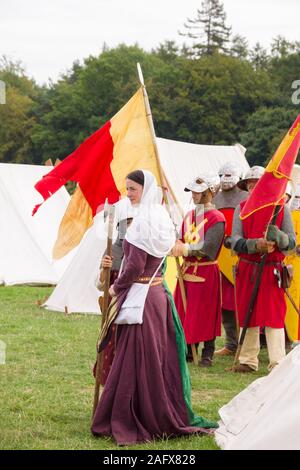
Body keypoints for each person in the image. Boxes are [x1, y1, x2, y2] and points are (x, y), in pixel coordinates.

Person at [92, 169, 217, 445]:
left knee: (135, 358)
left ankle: (135, 413)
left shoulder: (141, 223)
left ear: (145, 191)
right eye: (127, 189)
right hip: (159, 294)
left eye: (133, 190)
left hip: (142, 297)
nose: (128, 194)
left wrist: (116, 287)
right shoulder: (160, 217)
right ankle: (157, 410)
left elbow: (134, 265)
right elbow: (165, 252)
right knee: (157, 357)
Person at [231, 166, 296, 373]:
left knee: (273, 314)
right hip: (248, 268)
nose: (252, 188)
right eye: (249, 184)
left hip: (271, 270)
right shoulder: (241, 208)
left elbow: (291, 244)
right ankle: (248, 360)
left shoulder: (281, 208)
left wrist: (279, 237)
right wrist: (254, 245)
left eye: (256, 184)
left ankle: (277, 363)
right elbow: (234, 242)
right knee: (247, 312)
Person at [172, 174, 226, 367]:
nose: (194, 195)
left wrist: (185, 249)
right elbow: (181, 239)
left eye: (199, 192)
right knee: (186, 312)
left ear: (210, 193)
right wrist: (175, 244)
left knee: (206, 313)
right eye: (193, 192)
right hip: (186, 272)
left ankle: (207, 353)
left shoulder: (217, 218)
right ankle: (188, 349)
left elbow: (209, 251)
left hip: (205, 272)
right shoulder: (188, 216)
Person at [213, 162, 248, 357]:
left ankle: (247, 344)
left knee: (242, 301)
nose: (225, 179)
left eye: (229, 175)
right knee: (225, 302)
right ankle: (231, 343)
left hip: (240, 255)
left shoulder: (247, 198)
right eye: (222, 175)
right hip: (219, 257)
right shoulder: (214, 198)